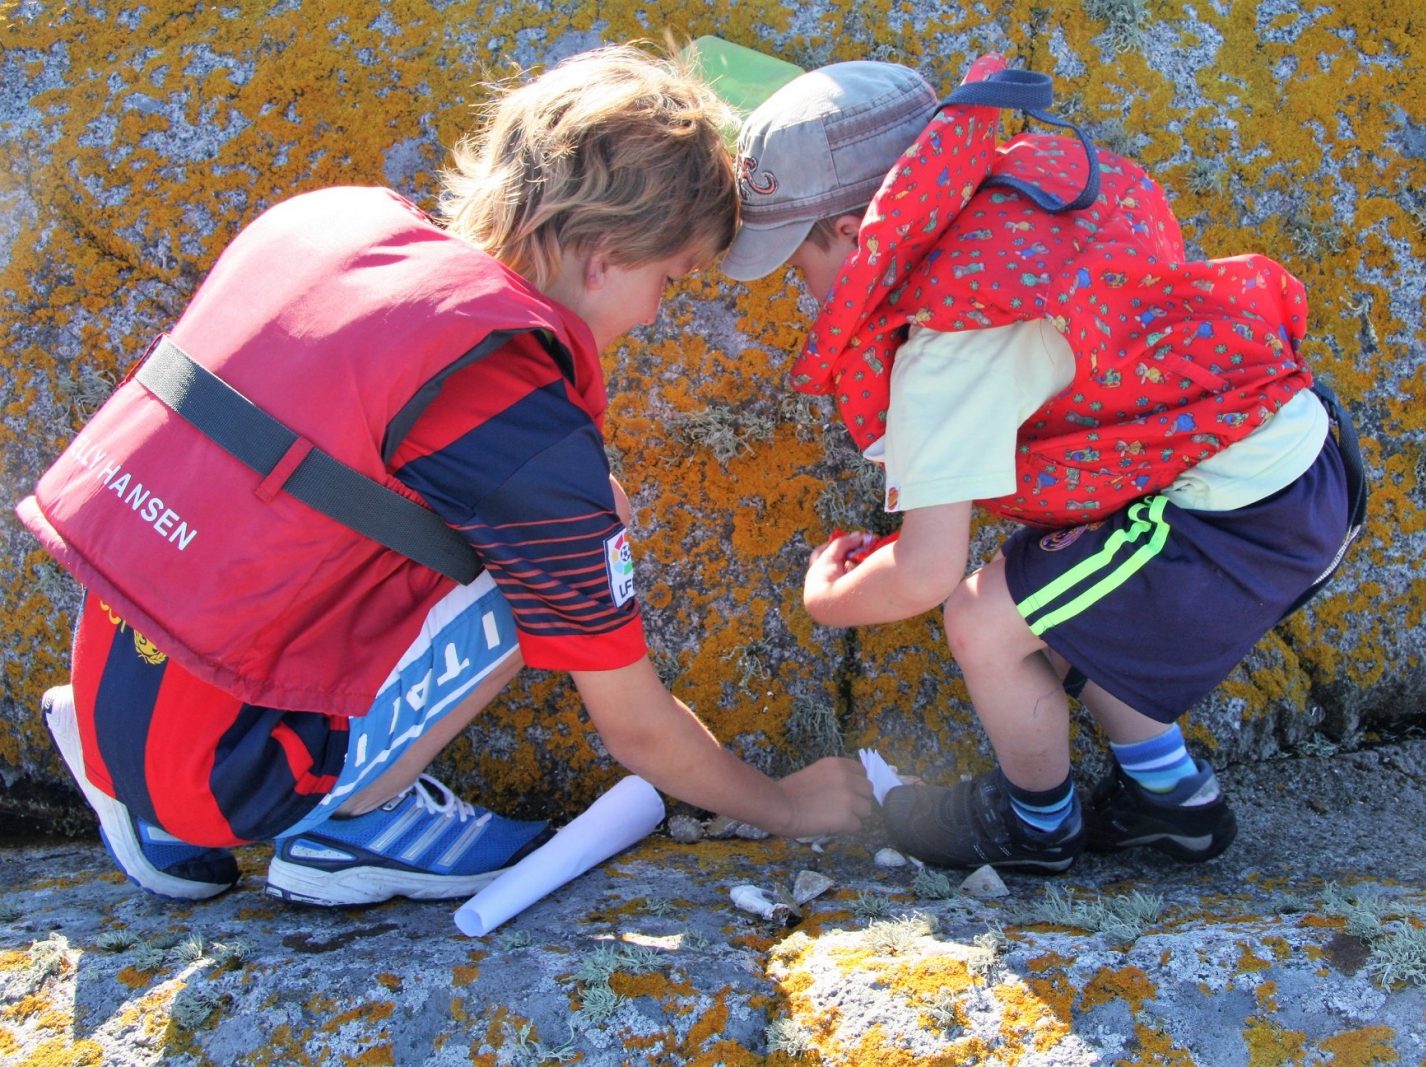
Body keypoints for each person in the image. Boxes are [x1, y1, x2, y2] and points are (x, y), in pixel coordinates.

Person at [16, 43, 873, 907]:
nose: (655, 311)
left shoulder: (333, 226)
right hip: (221, 779)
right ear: (606, 253)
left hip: (110, 697)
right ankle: (349, 816)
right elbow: (638, 729)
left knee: (448, 507)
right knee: (553, 554)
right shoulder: (517, 418)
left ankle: (135, 778)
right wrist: (788, 805)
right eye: (671, 279)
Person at [719, 55, 1364, 872]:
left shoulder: (949, 338)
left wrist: (831, 601)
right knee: (1063, 593)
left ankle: (1033, 825)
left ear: (853, 236)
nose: (800, 290)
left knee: (983, 619)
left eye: (797, 265)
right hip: (1286, 458)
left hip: (1237, 509)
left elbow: (926, 570)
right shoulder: (1024, 197)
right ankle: (1174, 804)